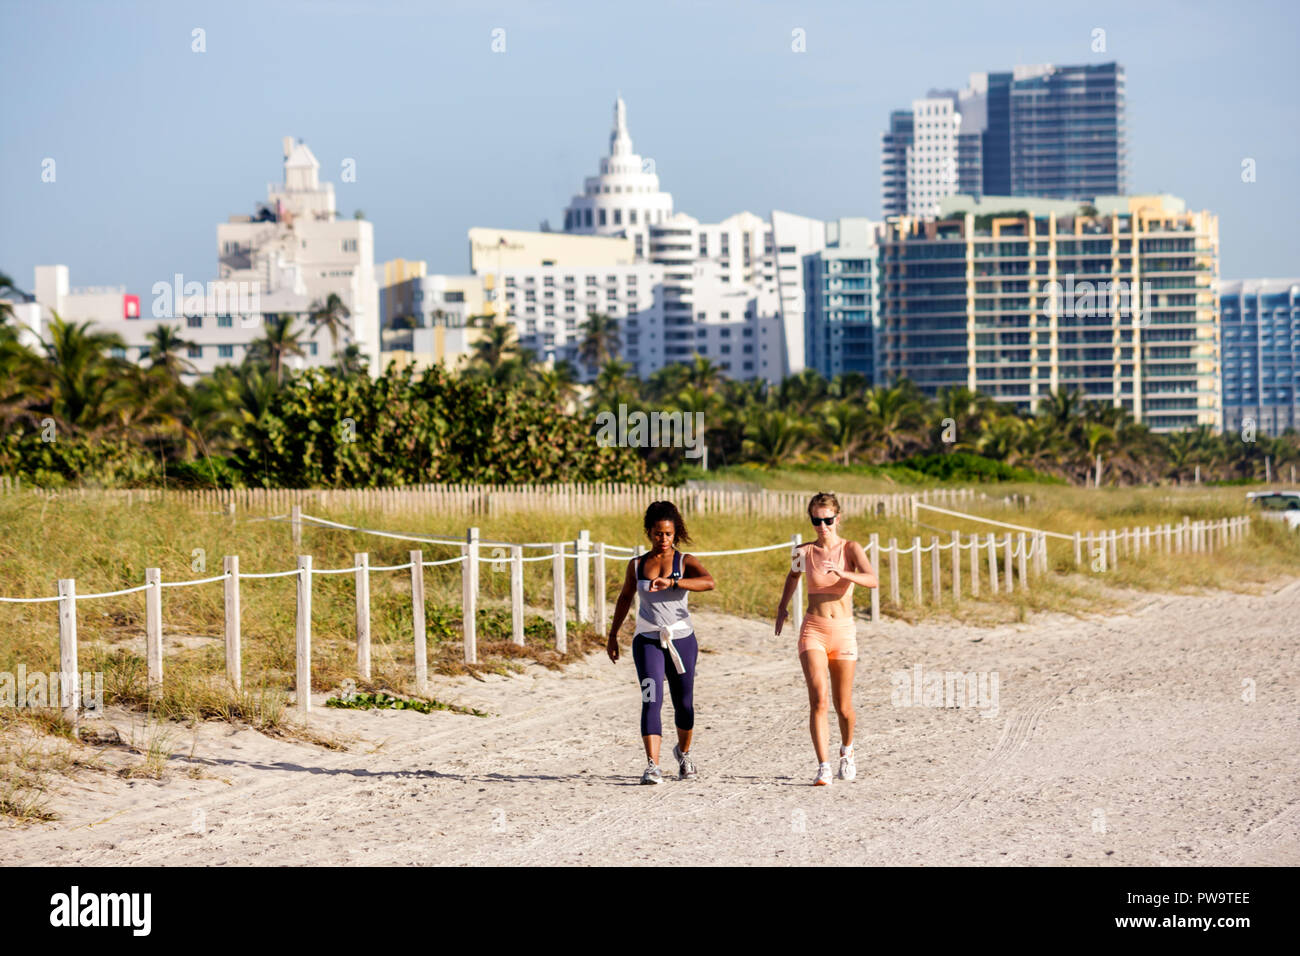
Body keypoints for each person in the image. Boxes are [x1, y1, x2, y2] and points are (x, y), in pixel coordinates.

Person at [607, 500, 716, 784]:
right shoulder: (637, 564)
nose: (663, 539)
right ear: (649, 532)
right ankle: (652, 765)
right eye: (658, 533)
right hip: (647, 640)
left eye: (668, 533)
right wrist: (613, 635)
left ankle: (684, 754)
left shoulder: (685, 561)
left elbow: (709, 582)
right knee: (650, 699)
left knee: (684, 704)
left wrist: (675, 583)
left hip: (681, 640)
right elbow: (624, 598)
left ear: (675, 532)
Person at [775, 492, 877, 786]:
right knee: (818, 699)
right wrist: (782, 607)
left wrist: (844, 572)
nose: (822, 526)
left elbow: (872, 580)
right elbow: (793, 577)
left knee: (843, 705)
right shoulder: (803, 552)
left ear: (838, 518)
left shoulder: (851, 549)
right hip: (814, 629)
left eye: (828, 520)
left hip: (843, 631)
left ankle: (847, 751)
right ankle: (823, 766)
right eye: (816, 520)